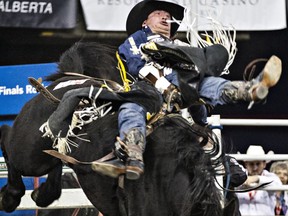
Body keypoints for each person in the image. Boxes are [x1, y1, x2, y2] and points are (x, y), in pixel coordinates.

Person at [40, 0, 282, 180]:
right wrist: (166, 88)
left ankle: (248, 89)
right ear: (146, 21)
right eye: (158, 14)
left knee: (208, 84)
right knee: (131, 108)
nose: (165, 18)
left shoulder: (181, 45)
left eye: (168, 16)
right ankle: (133, 151)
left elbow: (198, 74)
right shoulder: (138, 39)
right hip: (148, 93)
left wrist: (202, 120)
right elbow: (135, 63)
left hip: (184, 92)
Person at [236, 145, 282, 216]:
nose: (255, 168)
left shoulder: (271, 177)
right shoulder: (238, 176)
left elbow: (277, 185)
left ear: (264, 164)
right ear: (246, 164)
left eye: (258, 164)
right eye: (251, 164)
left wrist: (256, 178)